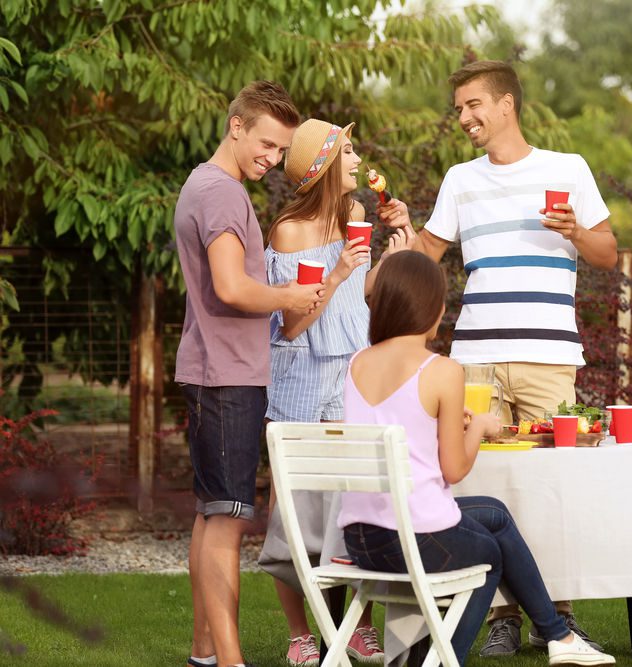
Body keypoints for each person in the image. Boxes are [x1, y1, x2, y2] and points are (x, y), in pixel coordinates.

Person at [376, 59, 617, 657]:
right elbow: (428, 253)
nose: (464, 117)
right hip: (476, 355)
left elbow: (608, 253)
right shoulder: (460, 179)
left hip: (547, 353)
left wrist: (574, 233)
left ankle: (553, 613)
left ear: (506, 104)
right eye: (458, 108)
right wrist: (405, 237)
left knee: (552, 489)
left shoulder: (568, 169)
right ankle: (502, 616)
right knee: (484, 479)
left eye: (472, 105)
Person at [338, 250, 616, 667]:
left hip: (362, 536)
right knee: (489, 554)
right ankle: (439, 661)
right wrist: (479, 428)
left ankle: (559, 637)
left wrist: (449, 421)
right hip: (410, 536)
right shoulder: (442, 369)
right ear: (434, 308)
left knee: (495, 514)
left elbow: (399, 426)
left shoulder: (357, 363)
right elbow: (454, 469)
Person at [174, 81, 324, 667]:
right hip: (225, 375)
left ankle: (205, 654)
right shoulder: (221, 194)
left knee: (212, 515)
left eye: (282, 149)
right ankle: (231, 662)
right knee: (227, 522)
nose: (274, 157)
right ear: (236, 126)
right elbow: (232, 288)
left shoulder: (207, 185)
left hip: (218, 370)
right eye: (266, 143)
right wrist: (290, 295)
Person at [259, 118, 413, 665]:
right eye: (347, 151)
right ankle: (302, 632)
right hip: (302, 381)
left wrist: (399, 247)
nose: (357, 159)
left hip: (350, 374)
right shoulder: (289, 233)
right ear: (324, 166)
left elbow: (365, 294)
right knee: (292, 514)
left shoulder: (356, 216)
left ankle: (355, 626)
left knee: (355, 500)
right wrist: (343, 270)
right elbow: (293, 323)